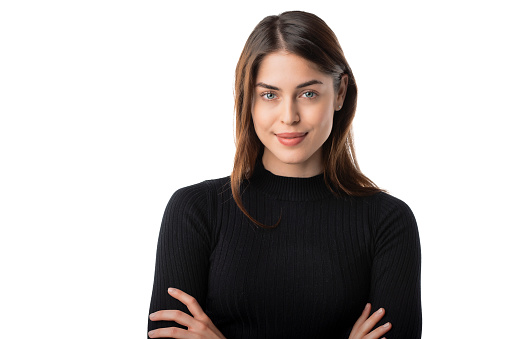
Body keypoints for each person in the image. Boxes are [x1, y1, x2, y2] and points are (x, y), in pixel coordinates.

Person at [147, 10, 422, 339]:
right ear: (248, 99)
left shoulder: (387, 223)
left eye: (308, 93)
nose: (289, 116)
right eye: (270, 95)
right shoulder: (195, 211)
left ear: (340, 93)